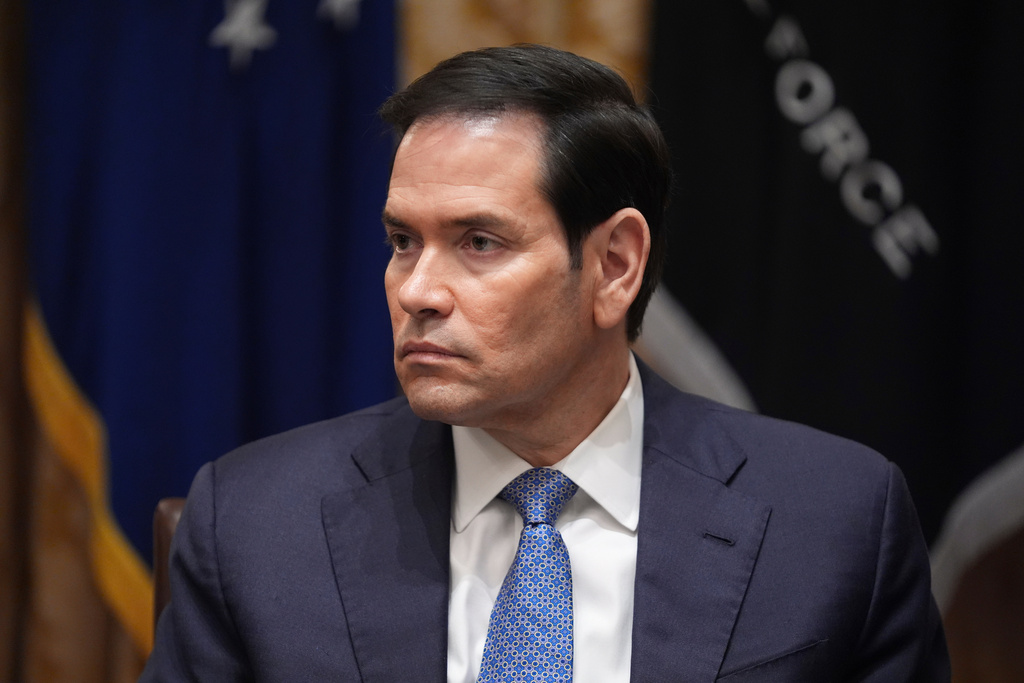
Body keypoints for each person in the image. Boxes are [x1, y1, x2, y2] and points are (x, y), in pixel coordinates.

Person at [141, 44, 949, 682]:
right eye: (401, 242)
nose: (417, 290)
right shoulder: (253, 527)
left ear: (615, 264)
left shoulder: (837, 523)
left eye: (479, 242)